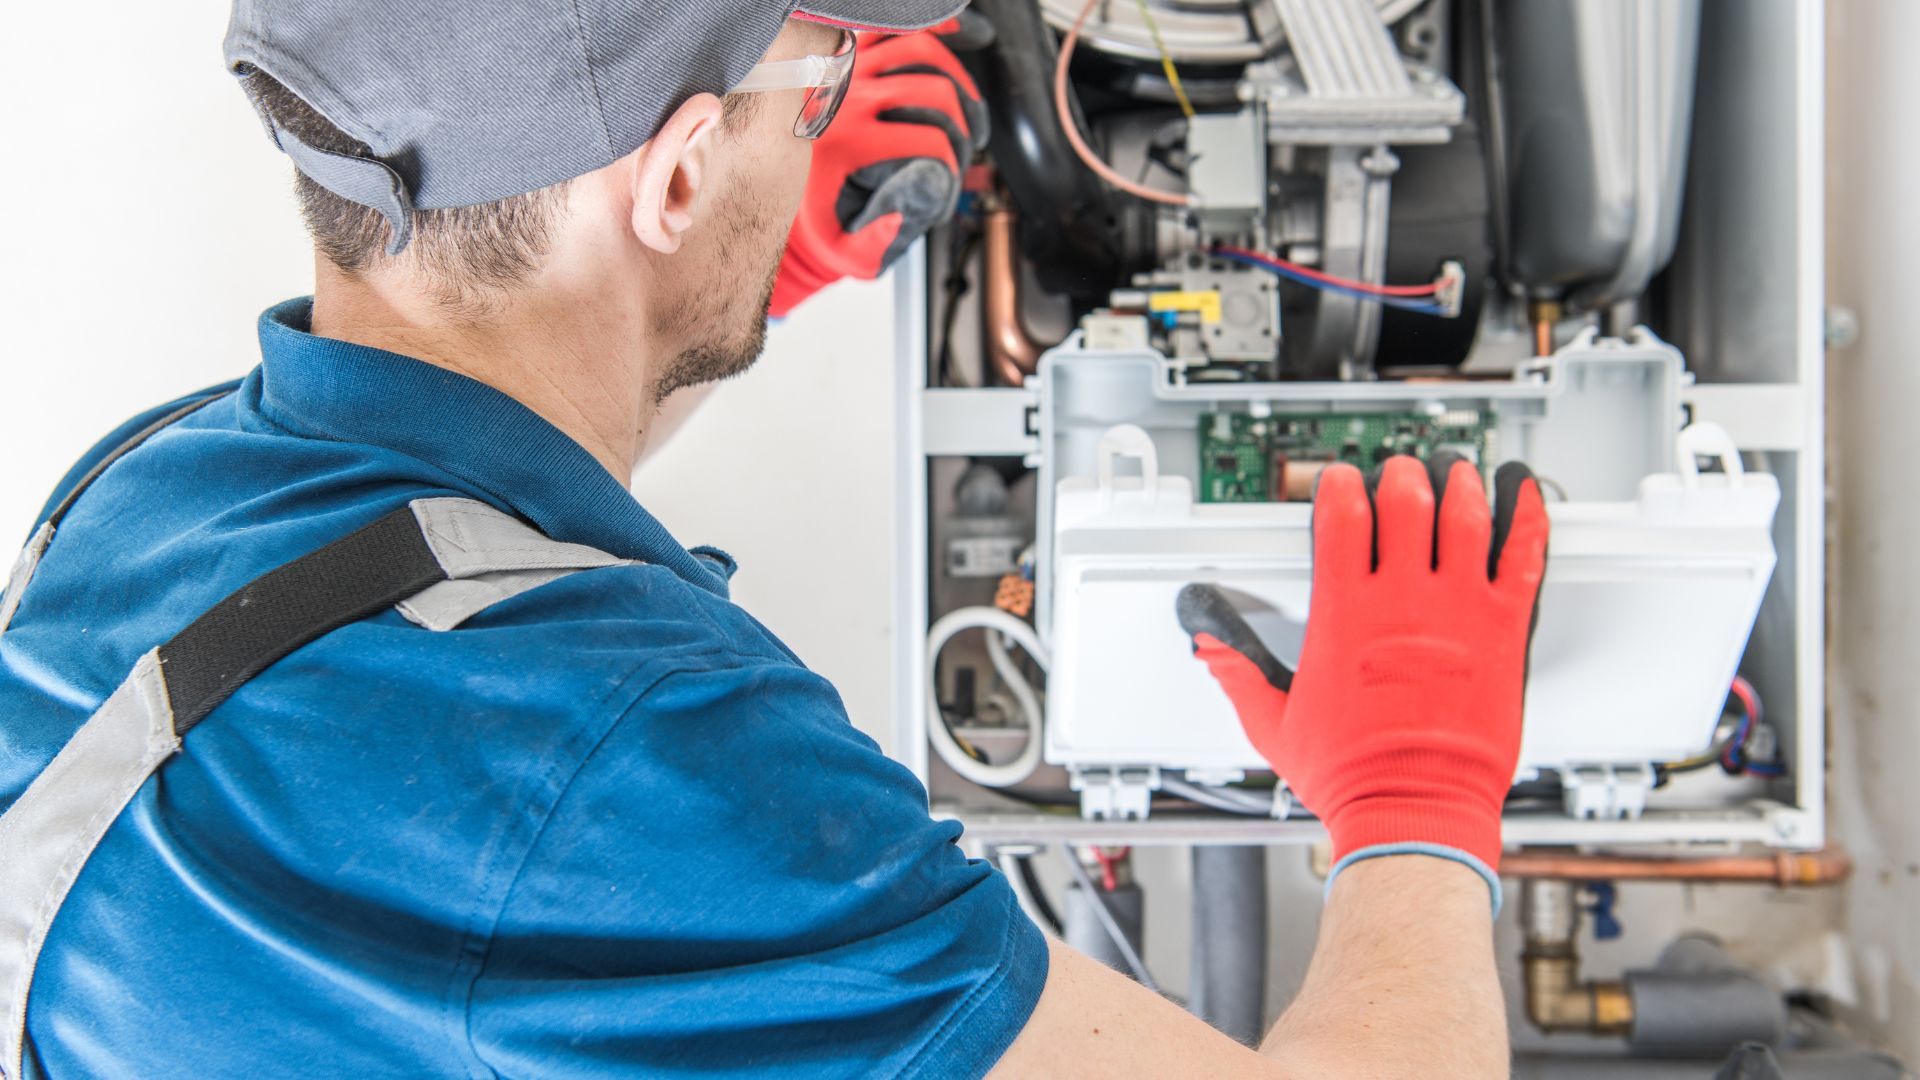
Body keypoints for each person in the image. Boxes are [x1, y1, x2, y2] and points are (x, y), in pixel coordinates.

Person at [0, 2, 1547, 1077]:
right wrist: (1417, 800)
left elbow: (461, 535)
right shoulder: (638, 763)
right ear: (673, 178)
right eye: (813, 92)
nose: (827, 129)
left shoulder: (149, 491)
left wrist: (726, 287)